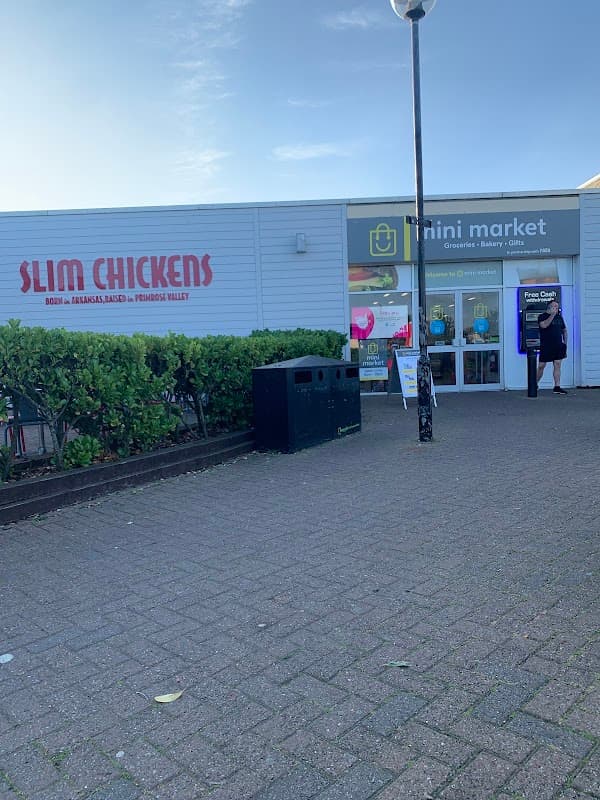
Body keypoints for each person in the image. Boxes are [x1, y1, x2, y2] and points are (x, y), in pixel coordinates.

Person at [536, 300, 568, 394]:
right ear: (549, 307)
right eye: (554, 306)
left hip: (558, 345)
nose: (556, 308)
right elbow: (544, 325)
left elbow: (564, 330)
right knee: (541, 366)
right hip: (546, 345)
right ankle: (534, 383)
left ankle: (557, 386)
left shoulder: (559, 317)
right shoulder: (542, 316)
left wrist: (565, 343)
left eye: (557, 307)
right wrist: (552, 315)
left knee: (557, 364)